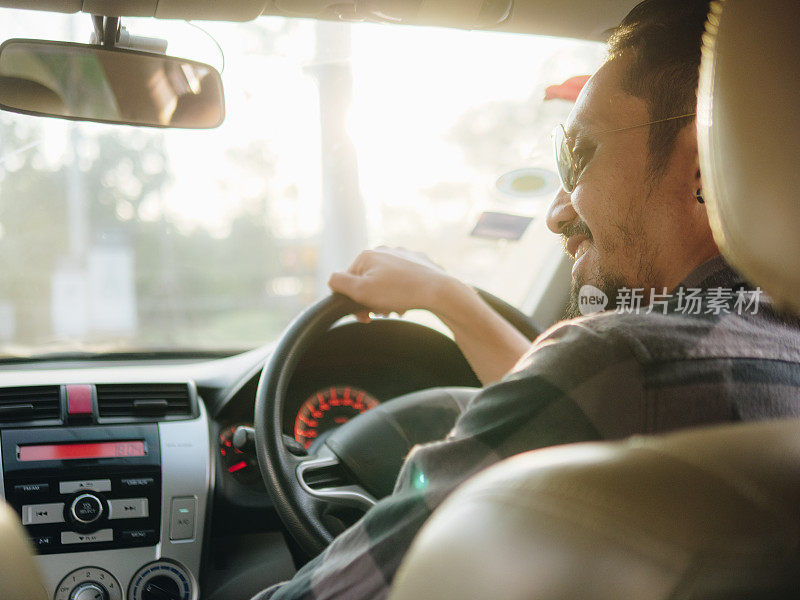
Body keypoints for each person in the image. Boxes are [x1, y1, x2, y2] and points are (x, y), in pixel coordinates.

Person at [255, 1, 800, 598]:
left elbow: (335, 590)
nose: (555, 212)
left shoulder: (617, 364)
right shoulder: (734, 362)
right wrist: (448, 299)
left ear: (702, 169)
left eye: (578, 155)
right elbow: (587, 405)